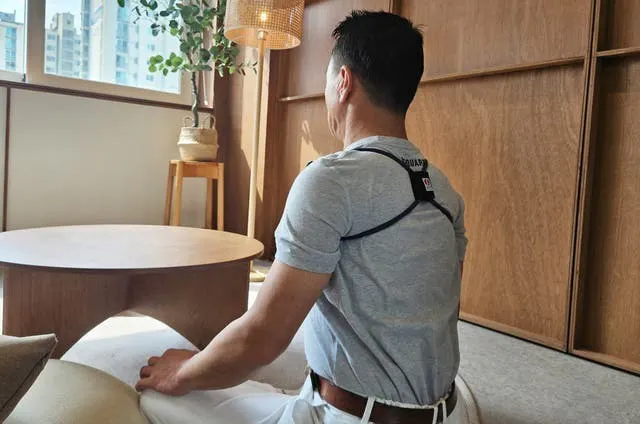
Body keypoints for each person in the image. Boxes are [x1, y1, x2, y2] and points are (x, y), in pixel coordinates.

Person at [137, 10, 468, 424]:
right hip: (448, 413)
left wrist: (182, 372)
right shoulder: (444, 190)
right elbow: (441, 312)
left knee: (159, 401)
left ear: (343, 82)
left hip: (350, 417)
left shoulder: (331, 180)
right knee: (247, 388)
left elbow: (263, 337)